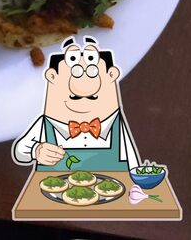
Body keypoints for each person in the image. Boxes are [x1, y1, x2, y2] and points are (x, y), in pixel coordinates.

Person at [12, 37, 140, 172]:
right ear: (52, 77)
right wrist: (36, 151)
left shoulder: (114, 124)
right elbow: (21, 152)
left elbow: (131, 160)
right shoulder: (48, 122)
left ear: (111, 75)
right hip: (52, 186)